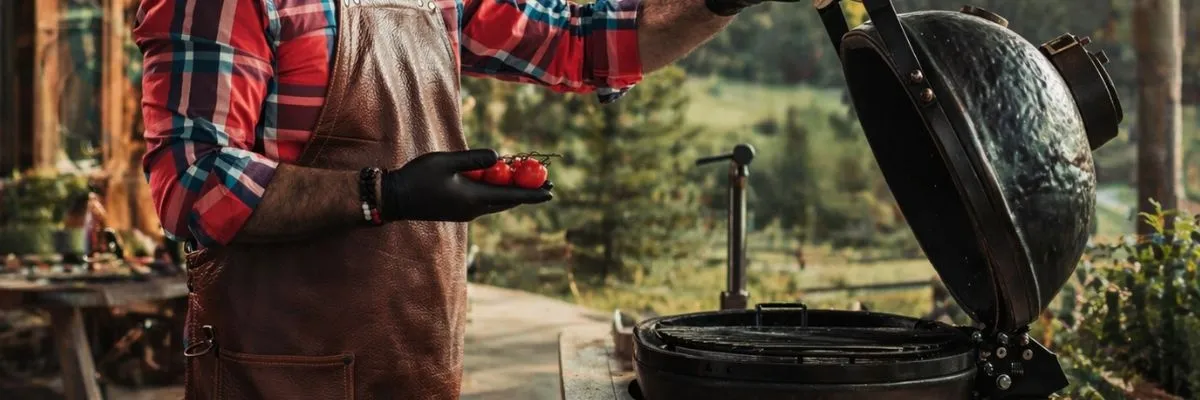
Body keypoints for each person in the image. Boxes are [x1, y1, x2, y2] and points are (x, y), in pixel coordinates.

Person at [134, 0, 797, 397]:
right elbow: (196, 183)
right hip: (277, 378)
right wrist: (385, 193)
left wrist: (717, 2)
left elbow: (582, 40)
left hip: (419, 368)